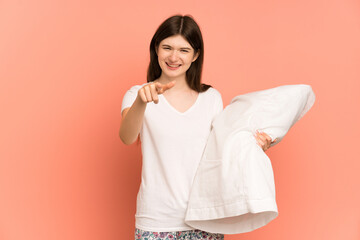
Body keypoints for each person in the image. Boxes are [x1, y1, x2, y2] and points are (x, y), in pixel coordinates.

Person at [119, 14, 275, 240]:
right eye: (167, 47)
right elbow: (126, 136)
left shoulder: (211, 98)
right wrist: (141, 102)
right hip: (157, 220)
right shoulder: (138, 94)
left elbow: (221, 151)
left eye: (184, 50)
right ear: (156, 48)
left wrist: (253, 146)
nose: (174, 57)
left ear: (196, 55)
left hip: (205, 217)